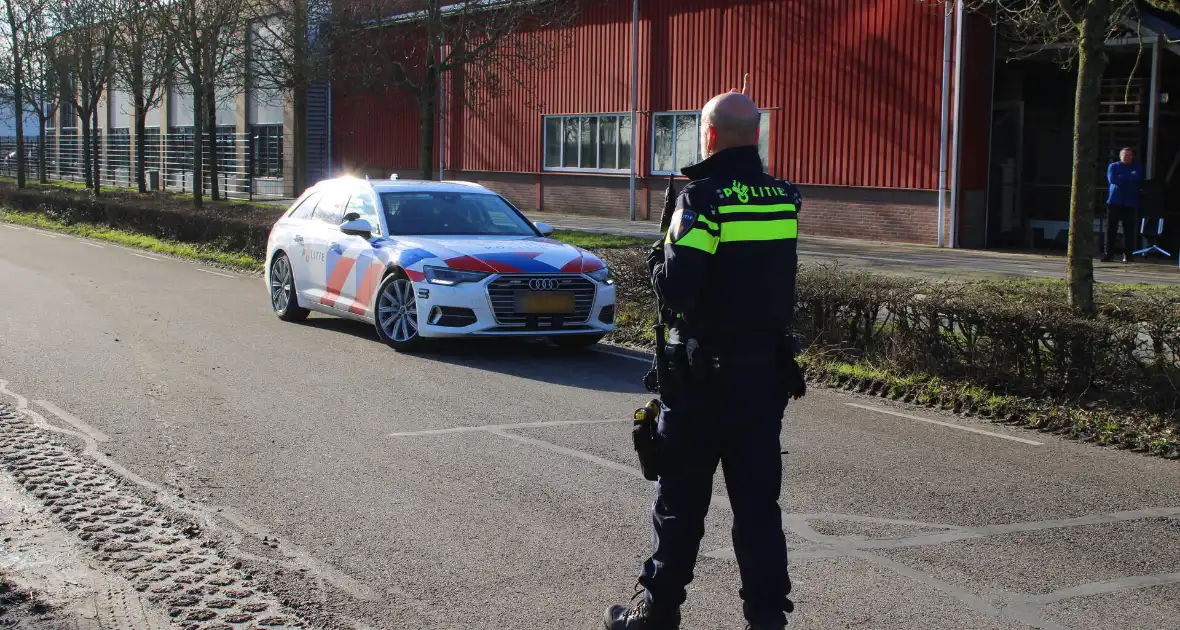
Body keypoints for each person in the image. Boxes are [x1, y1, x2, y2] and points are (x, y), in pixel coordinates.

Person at [604, 83, 804, 630]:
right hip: (763, 380)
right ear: (756, 135)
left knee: (681, 504)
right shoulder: (784, 197)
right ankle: (767, 620)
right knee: (759, 510)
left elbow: (677, 289)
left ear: (708, 135)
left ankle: (656, 611)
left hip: (699, 384)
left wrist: (659, 254)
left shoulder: (701, 199)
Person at [1104, 147, 1143, 263]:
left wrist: (1123, 177)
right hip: (1114, 201)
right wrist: (1128, 178)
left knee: (1129, 230)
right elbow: (1113, 179)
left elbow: (1137, 178)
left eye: (1130, 155)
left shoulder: (1137, 167)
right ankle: (1109, 254)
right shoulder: (1114, 166)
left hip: (1130, 202)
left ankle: (1128, 255)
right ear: (1121, 156)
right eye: (1126, 155)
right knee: (1111, 229)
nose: (1128, 157)